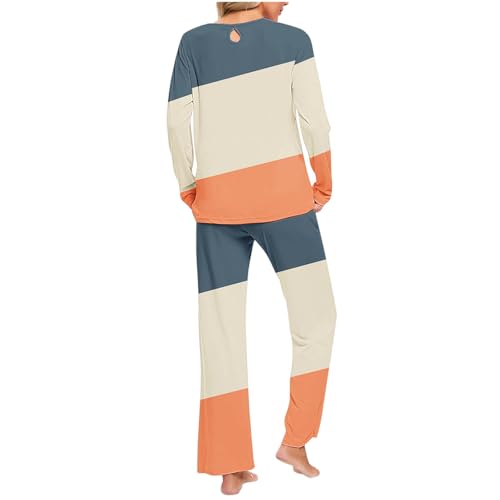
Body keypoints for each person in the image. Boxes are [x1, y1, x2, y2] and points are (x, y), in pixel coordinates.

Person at [166, 2, 337, 495]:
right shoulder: (294, 41)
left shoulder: (192, 43)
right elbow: (316, 122)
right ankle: (295, 441)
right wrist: (323, 183)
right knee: (316, 319)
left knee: (219, 331)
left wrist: (189, 186)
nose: (288, 3)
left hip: (217, 205)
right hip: (285, 202)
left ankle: (229, 466)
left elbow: (176, 123)